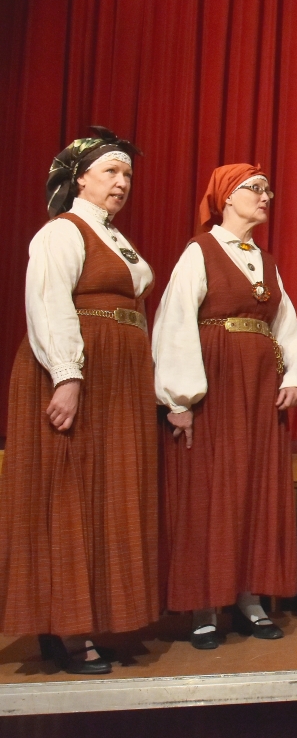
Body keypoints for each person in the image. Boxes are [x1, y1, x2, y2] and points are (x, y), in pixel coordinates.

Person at [0, 128, 157, 673]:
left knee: (105, 490)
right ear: (80, 178)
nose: (122, 182)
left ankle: (82, 618)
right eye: (111, 171)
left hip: (119, 379)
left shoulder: (115, 239)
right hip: (79, 371)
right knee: (68, 492)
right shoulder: (62, 231)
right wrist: (67, 375)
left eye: (128, 174)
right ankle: (66, 628)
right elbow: (48, 303)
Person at [154, 164, 297, 649]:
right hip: (217, 385)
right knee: (210, 488)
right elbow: (176, 321)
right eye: (254, 188)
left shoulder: (266, 261)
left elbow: (284, 323)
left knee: (255, 486)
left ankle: (249, 598)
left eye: (268, 189)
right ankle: (205, 605)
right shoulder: (200, 252)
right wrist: (179, 398)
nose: (265, 196)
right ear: (226, 196)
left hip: (259, 388)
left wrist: (295, 376)